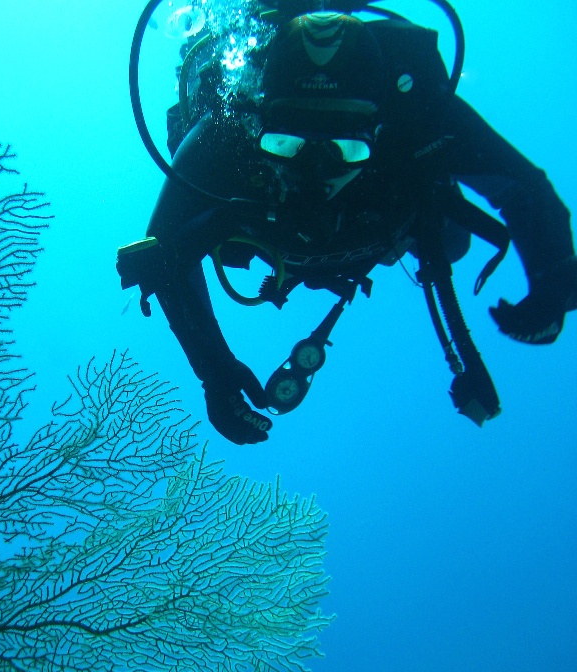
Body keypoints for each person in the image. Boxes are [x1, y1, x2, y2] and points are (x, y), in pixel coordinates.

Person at [118, 7, 576, 445]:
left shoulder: (416, 121)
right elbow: (161, 257)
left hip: (382, 222)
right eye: (287, 145)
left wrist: (554, 275)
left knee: (452, 240)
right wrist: (214, 370)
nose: (314, 174)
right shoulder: (228, 133)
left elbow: (522, 189)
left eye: (345, 150)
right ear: (260, 119)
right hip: (279, 232)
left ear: (378, 131)